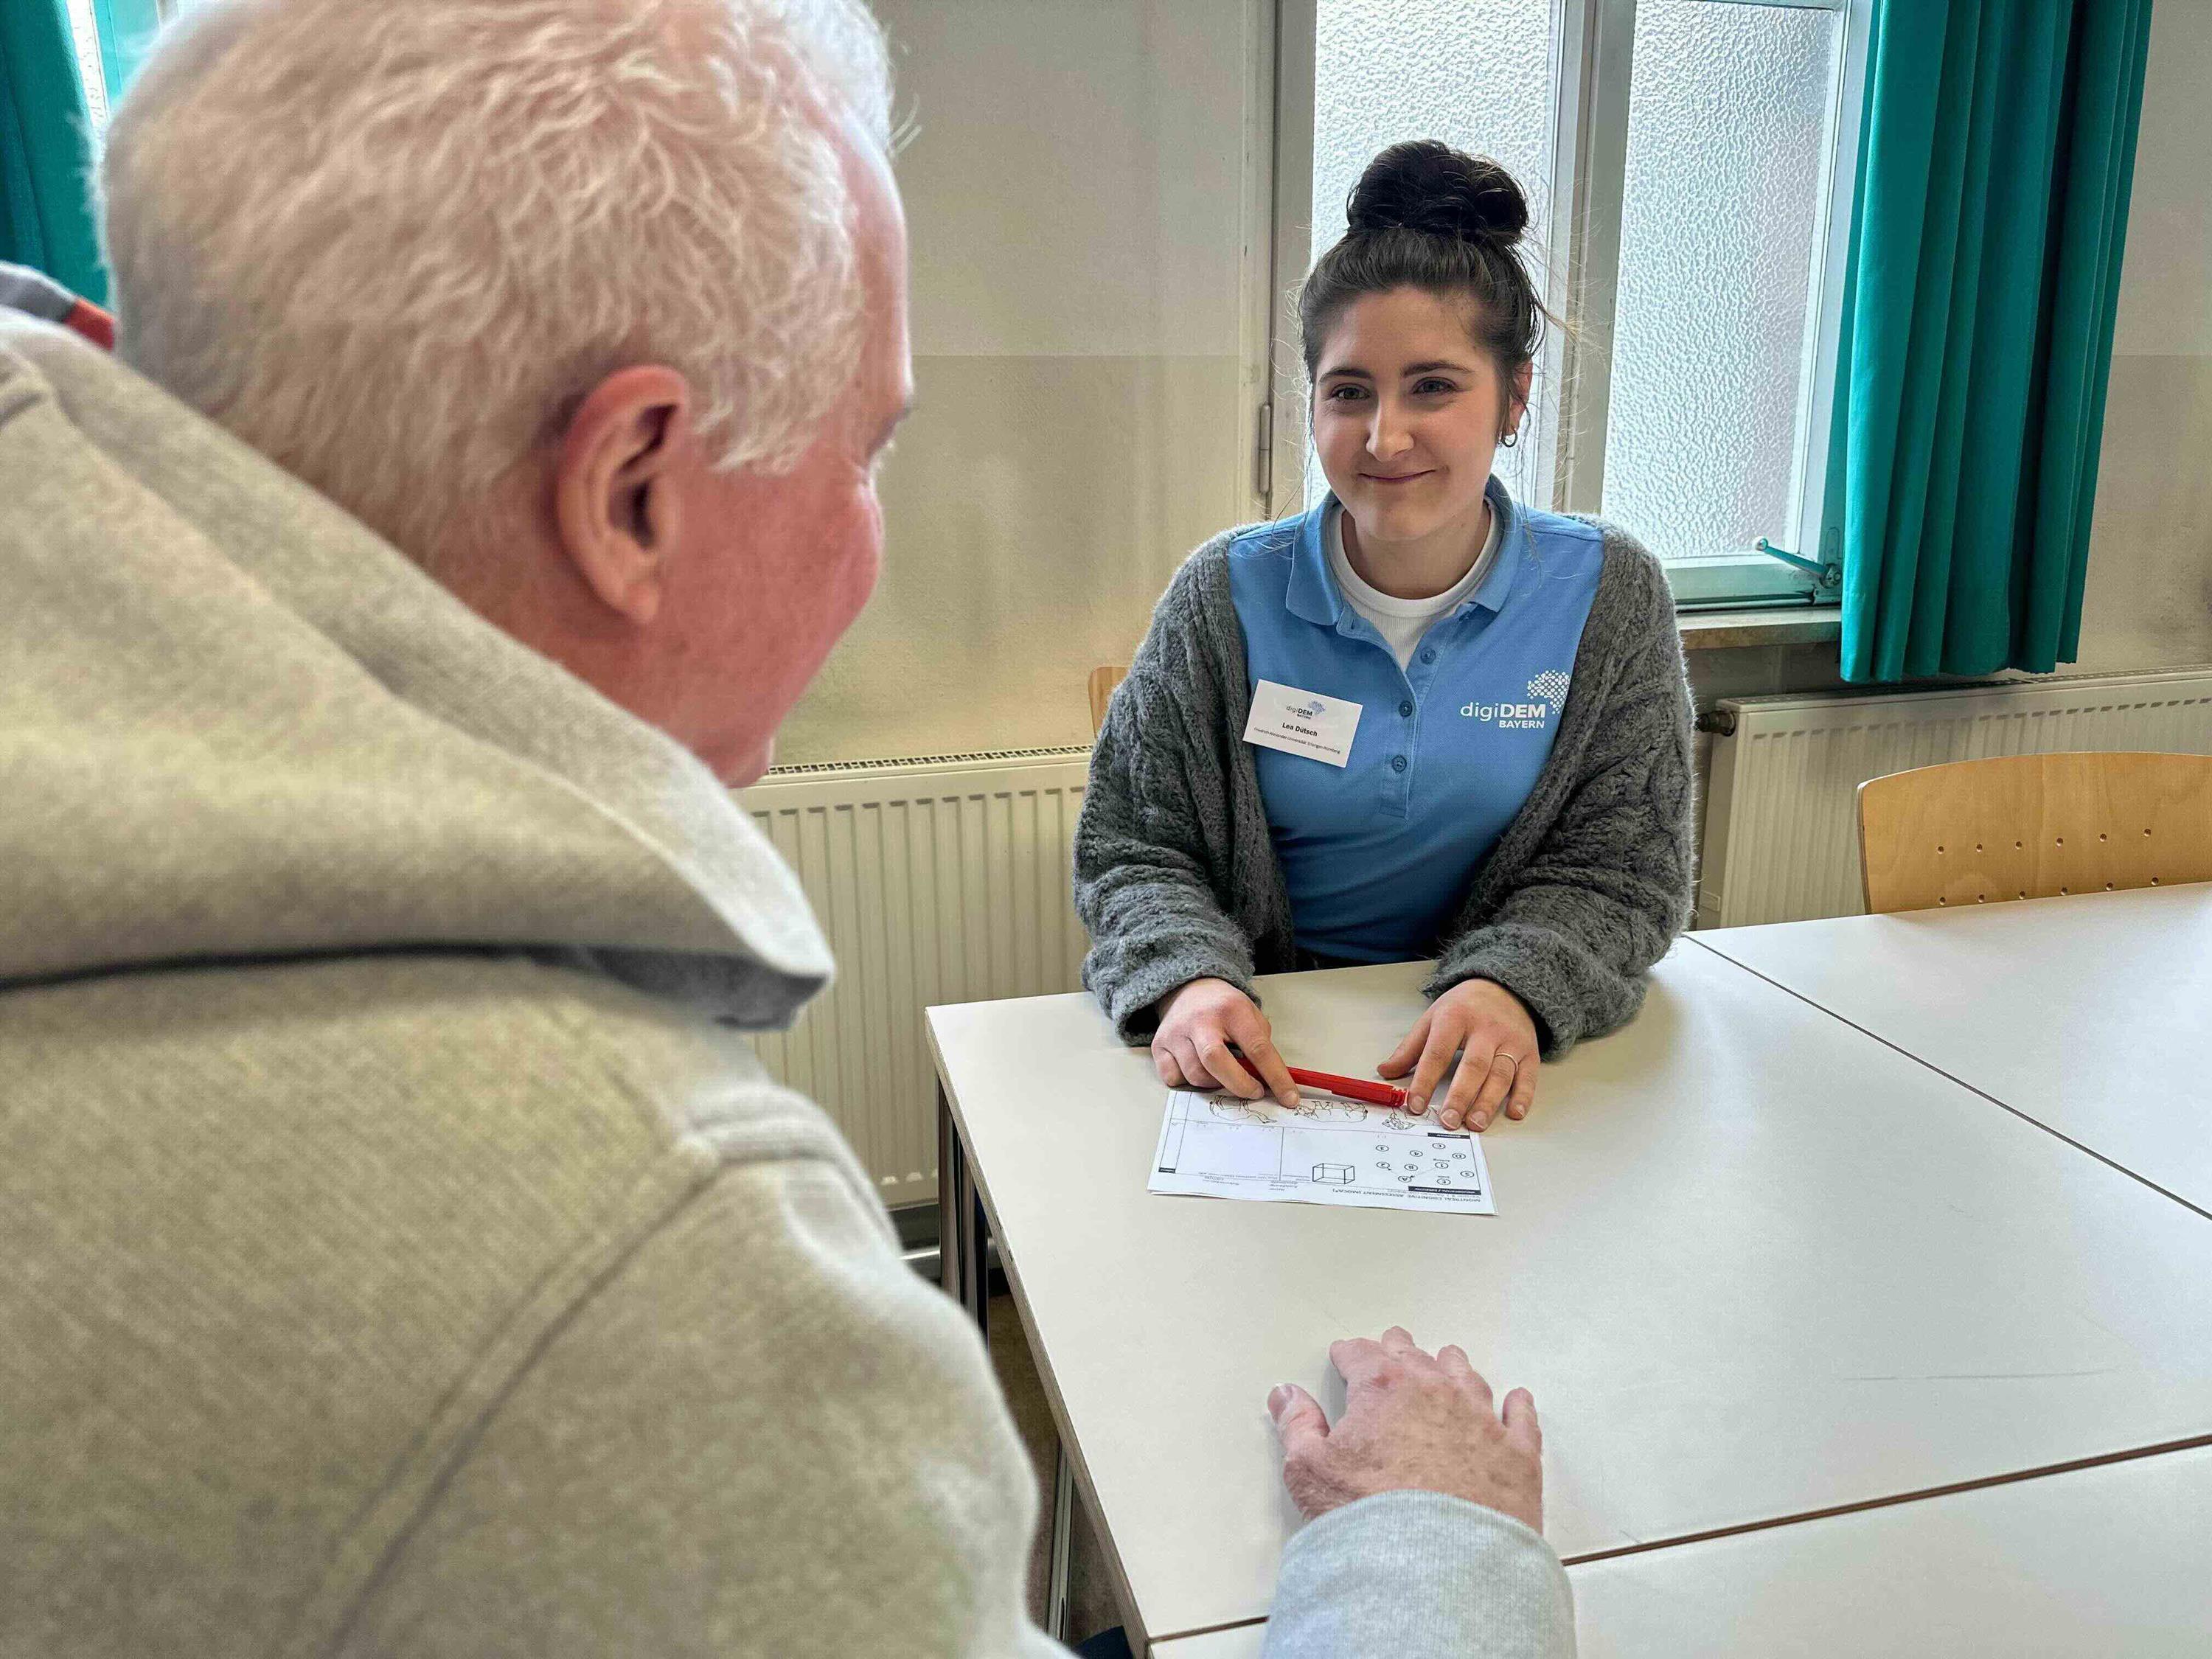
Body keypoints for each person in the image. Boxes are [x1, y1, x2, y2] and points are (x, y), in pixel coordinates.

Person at [0, 4, 1572, 1655]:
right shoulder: (656, 1278)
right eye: (872, 449)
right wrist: (1436, 1545)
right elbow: (1140, 846)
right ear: (632, 493)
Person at [1076, 141, 1695, 1136]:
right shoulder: (1225, 595)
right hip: (1272, 1062)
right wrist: (1188, 980)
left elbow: (1622, 870)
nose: (1384, 437)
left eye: (1435, 387)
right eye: (1349, 390)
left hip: (1494, 1070)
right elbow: (1137, 849)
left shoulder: (1608, 593)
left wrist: (1512, 983)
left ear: (1516, 397)